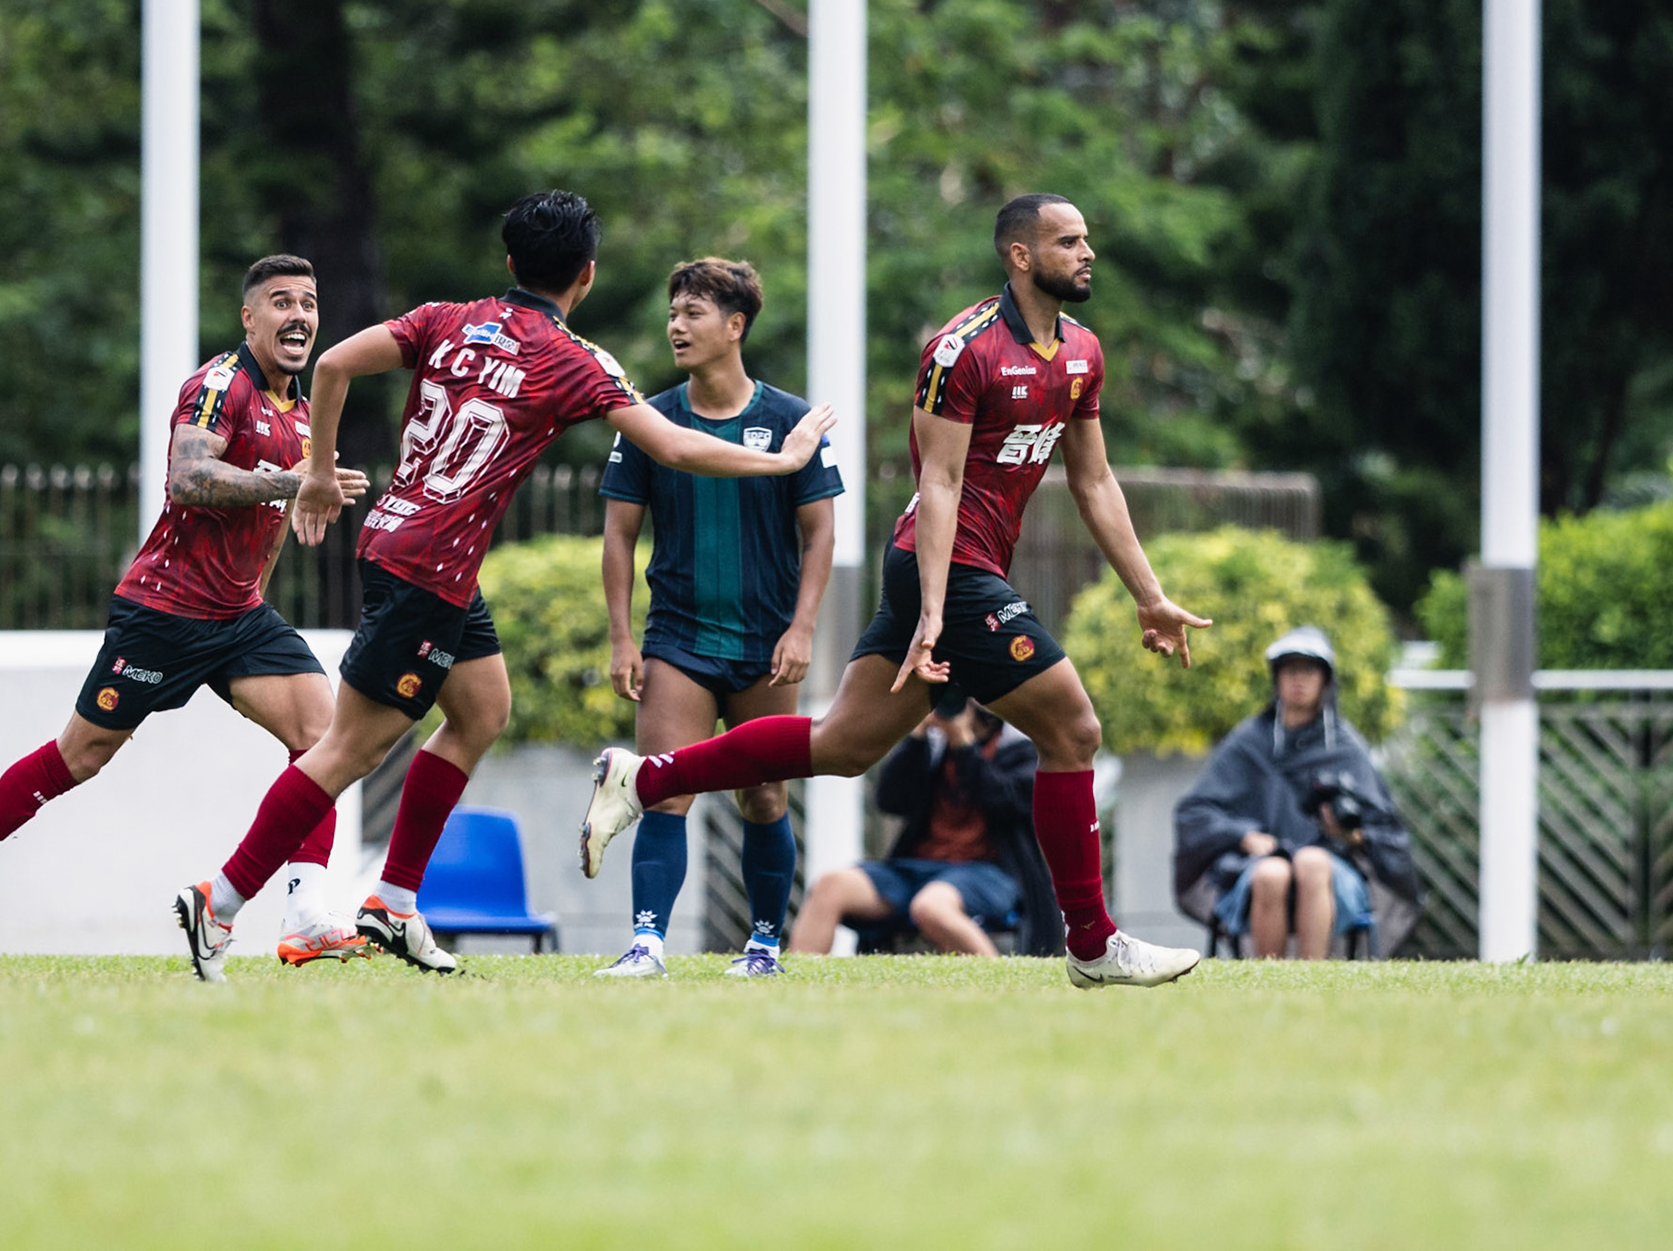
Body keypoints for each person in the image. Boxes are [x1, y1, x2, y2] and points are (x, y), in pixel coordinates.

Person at [174, 191, 835, 983]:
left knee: (483, 710)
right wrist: (783, 461)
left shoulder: (446, 318)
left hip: (415, 551)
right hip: (426, 570)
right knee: (347, 748)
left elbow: (335, 362)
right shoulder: (576, 360)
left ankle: (393, 901)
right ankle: (221, 899)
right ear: (585, 276)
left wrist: (318, 470)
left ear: (511, 262)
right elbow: (679, 449)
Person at [582, 191, 1212, 989]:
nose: (1087, 253)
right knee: (1075, 730)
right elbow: (939, 483)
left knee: (841, 746)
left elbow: (1093, 481)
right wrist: (939, 611)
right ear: (1020, 256)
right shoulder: (962, 349)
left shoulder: (1083, 351)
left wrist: (1148, 593)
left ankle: (647, 777)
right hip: (942, 569)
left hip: (956, 575)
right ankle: (1092, 944)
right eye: (1068, 241)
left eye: (1087, 239)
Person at [0, 255, 377, 970]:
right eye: (281, 302)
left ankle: (306, 907)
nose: (299, 316)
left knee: (324, 736)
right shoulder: (220, 385)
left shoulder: (303, 417)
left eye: (308, 303)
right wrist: (294, 479)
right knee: (80, 757)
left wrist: (269, 565)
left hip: (239, 618)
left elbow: (271, 525)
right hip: (165, 612)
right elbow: (188, 479)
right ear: (250, 318)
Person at [589, 257, 843, 980]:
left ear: (735, 326)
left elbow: (820, 534)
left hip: (767, 642)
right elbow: (618, 533)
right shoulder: (651, 419)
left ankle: (764, 947)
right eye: (673, 312)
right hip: (678, 637)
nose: (676, 325)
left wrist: (803, 629)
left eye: (693, 313)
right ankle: (646, 947)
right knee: (665, 784)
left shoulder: (790, 419)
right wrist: (621, 635)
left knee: (765, 794)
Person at [1172, 626, 1422, 958]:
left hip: (1333, 876)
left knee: (1312, 862)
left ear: (1325, 680)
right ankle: (1270, 979)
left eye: (1309, 671)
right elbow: (1196, 811)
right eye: (1290, 670)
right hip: (1255, 870)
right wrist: (1244, 836)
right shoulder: (1248, 741)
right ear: (1276, 678)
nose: (1299, 680)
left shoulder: (1346, 746)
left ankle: (1310, 976)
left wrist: (1352, 835)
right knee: (1271, 873)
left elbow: (1386, 828)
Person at [790, 692, 1064, 957]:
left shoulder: (1023, 750)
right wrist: (917, 736)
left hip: (988, 872)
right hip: (915, 868)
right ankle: (794, 992)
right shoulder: (933, 747)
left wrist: (963, 743)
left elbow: (1005, 803)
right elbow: (889, 801)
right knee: (830, 886)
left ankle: (1007, 987)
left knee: (931, 907)